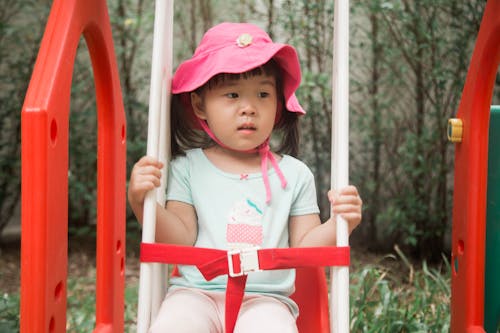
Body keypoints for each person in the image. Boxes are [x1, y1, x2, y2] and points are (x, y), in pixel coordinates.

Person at [128, 22, 362, 333]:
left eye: (263, 94)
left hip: (266, 299)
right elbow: (180, 237)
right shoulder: (187, 168)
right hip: (196, 294)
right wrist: (142, 202)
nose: (249, 108)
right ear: (200, 105)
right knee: (174, 325)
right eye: (233, 94)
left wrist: (340, 224)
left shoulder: (294, 174)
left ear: (278, 103)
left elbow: (305, 247)